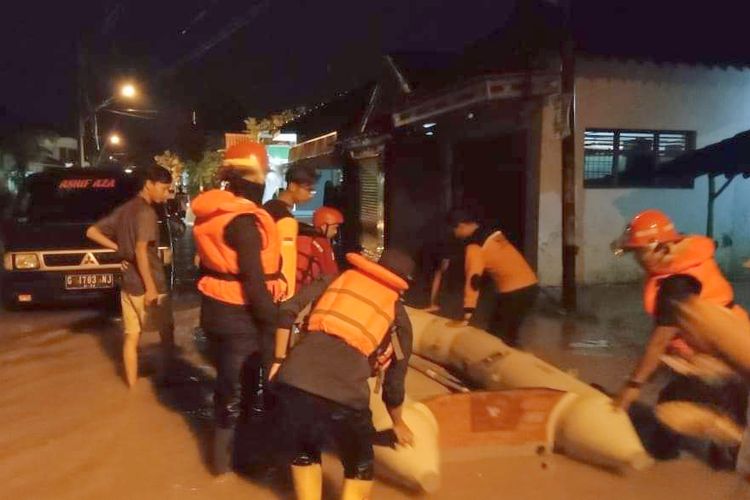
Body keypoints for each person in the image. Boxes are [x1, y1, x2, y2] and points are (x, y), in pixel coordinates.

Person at [269, 249, 416, 500]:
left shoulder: (333, 279)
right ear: (404, 284)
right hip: (346, 395)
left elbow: (286, 310)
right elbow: (394, 383)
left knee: (305, 450)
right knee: (359, 464)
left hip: (294, 379)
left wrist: (279, 359)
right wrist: (398, 422)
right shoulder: (399, 316)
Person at [611, 209, 749, 463]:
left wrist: (634, 385)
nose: (637, 261)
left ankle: (659, 462)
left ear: (660, 248)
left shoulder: (676, 284)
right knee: (732, 414)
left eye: (638, 253)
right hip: (735, 349)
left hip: (717, 358)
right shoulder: (688, 261)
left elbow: (660, 339)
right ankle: (727, 458)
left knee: (668, 405)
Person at [191, 141, 285, 476]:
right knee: (241, 392)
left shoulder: (213, 214)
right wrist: (274, 324)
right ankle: (233, 463)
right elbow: (254, 285)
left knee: (227, 384)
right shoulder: (244, 221)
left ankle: (221, 464)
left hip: (214, 312)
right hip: (241, 318)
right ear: (255, 179)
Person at [86, 165, 175, 389]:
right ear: (149, 184)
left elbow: (92, 232)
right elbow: (141, 251)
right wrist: (151, 288)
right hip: (148, 283)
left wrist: (119, 249)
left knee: (131, 336)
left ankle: (132, 387)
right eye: (164, 189)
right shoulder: (146, 213)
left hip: (127, 283)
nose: (167, 195)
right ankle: (167, 383)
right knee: (166, 333)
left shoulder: (125, 210)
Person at [447, 209, 539, 346]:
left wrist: (467, 314)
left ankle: (507, 363)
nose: (455, 234)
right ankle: (513, 358)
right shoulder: (494, 234)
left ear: (461, 226)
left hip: (514, 292)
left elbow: (474, 280)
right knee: (505, 333)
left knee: (497, 337)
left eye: (454, 230)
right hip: (530, 287)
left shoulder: (475, 245)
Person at [264, 163, 320, 298]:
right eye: (308, 190)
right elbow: (284, 256)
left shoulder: (270, 208)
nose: (311, 195)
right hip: (277, 287)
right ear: (293, 186)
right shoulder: (282, 215)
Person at [295, 206, 344, 290]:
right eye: (335, 228)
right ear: (324, 226)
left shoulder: (304, 238)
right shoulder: (321, 243)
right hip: (308, 290)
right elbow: (330, 271)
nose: (335, 232)